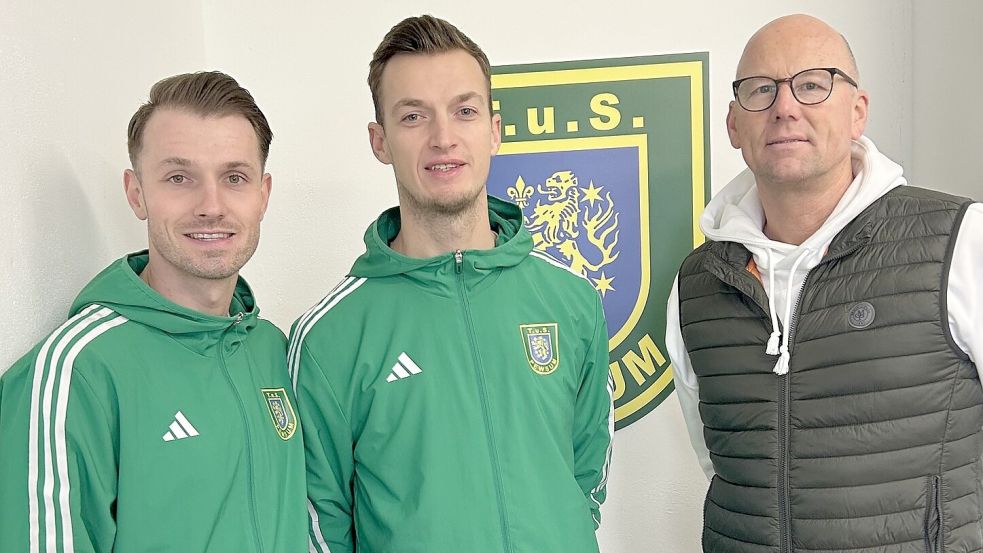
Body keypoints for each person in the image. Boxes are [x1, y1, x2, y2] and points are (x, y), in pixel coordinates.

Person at [289, 15, 613, 553]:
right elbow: (322, 527)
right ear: (380, 141)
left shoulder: (571, 299)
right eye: (414, 116)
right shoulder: (329, 336)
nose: (443, 138)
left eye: (464, 111)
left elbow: (587, 475)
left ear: (494, 130)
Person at [666, 13, 983, 552]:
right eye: (761, 90)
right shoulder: (697, 283)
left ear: (857, 111)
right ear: (734, 125)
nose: (785, 107)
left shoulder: (960, 240)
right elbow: (719, 459)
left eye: (812, 85)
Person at [0, 71, 307, 552]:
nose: (211, 206)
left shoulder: (272, 349)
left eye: (234, 178)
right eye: (179, 178)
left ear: (262, 195)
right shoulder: (70, 372)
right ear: (136, 193)